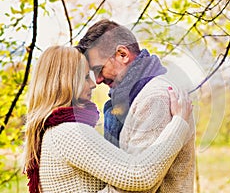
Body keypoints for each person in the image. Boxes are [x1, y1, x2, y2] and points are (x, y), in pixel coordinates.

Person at [23, 46, 193, 193]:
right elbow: (138, 176)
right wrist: (178, 124)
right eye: (85, 77)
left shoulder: (55, 131)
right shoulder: (70, 132)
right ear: (64, 82)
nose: (93, 83)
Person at [76, 19, 195, 192]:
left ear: (122, 54)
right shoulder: (133, 98)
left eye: (98, 69)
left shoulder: (155, 98)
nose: (99, 80)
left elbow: (136, 186)